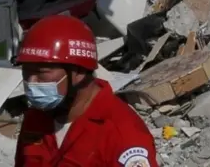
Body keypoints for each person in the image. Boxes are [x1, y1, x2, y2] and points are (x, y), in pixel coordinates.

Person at [14, 15, 158, 167]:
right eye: (26, 72)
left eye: (41, 73)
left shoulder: (122, 133)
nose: (31, 82)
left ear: (78, 72)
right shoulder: (36, 118)